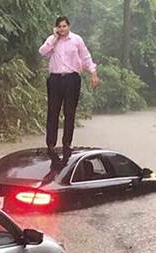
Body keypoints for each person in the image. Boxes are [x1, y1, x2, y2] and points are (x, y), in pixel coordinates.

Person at [39, 16, 100, 161]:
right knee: (53, 111)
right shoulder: (52, 40)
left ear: (69, 26)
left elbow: (86, 57)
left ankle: (67, 143)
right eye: (59, 27)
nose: (62, 29)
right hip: (55, 79)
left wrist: (93, 74)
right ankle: (51, 143)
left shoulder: (76, 40)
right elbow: (42, 52)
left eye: (64, 26)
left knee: (69, 112)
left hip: (72, 79)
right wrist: (54, 38)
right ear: (56, 28)